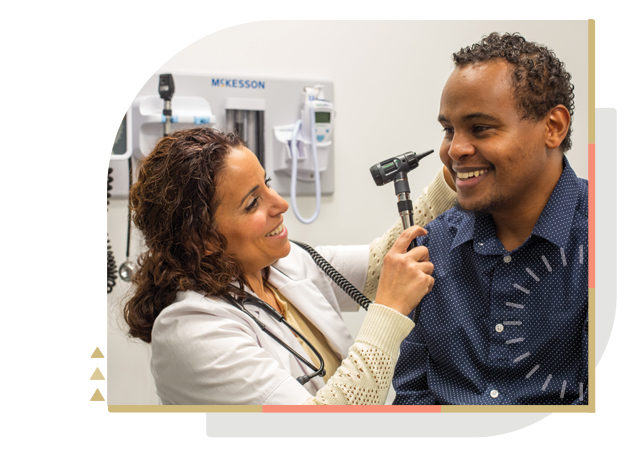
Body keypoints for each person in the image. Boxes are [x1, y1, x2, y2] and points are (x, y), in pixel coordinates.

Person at [123, 127, 456, 405]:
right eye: (253, 202)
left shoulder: (278, 265)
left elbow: (376, 265)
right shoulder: (192, 331)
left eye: (267, 183)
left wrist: (451, 180)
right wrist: (387, 311)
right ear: (202, 239)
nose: (280, 204)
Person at [391, 32, 588, 405]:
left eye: (480, 128)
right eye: (449, 130)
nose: (454, 150)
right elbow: (412, 398)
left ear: (553, 127)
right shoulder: (431, 248)